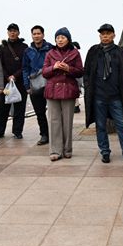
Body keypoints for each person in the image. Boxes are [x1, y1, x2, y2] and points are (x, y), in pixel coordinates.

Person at [84, 24, 123, 164]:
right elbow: (87, 72)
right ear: (100, 36)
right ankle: (105, 152)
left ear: (113, 35)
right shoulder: (93, 51)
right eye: (102, 34)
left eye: (108, 33)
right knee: (100, 125)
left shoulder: (121, 52)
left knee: (122, 125)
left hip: (116, 96)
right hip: (98, 96)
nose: (105, 36)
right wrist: (88, 88)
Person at [42, 27, 84, 161]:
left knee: (67, 121)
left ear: (68, 39)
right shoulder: (50, 53)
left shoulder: (75, 53)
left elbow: (80, 71)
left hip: (68, 90)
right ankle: (55, 150)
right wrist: (53, 67)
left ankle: (67, 149)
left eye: (63, 37)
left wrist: (68, 69)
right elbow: (44, 72)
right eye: (57, 37)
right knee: (53, 121)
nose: (60, 40)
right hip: (52, 90)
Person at [0, 23, 28, 140]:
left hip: (20, 83)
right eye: (10, 31)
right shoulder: (2, 47)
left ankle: (17, 131)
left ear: (18, 32)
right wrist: (7, 77)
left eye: (14, 31)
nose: (12, 33)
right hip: (6, 85)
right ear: (7, 33)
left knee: (20, 108)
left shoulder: (24, 47)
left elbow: (25, 65)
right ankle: (0, 131)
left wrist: (15, 76)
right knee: (3, 107)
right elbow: (0, 65)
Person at [23, 25, 53, 146]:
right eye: (34, 34)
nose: (36, 36)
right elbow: (25, 69)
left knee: (54, 112)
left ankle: (55, 134)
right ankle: (44, 134)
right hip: (34, 85)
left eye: (38, 33)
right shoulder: (28, 51)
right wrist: (26, 85)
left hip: (49, 84)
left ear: (43, 35)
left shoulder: (50, 48)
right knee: (40, 113)